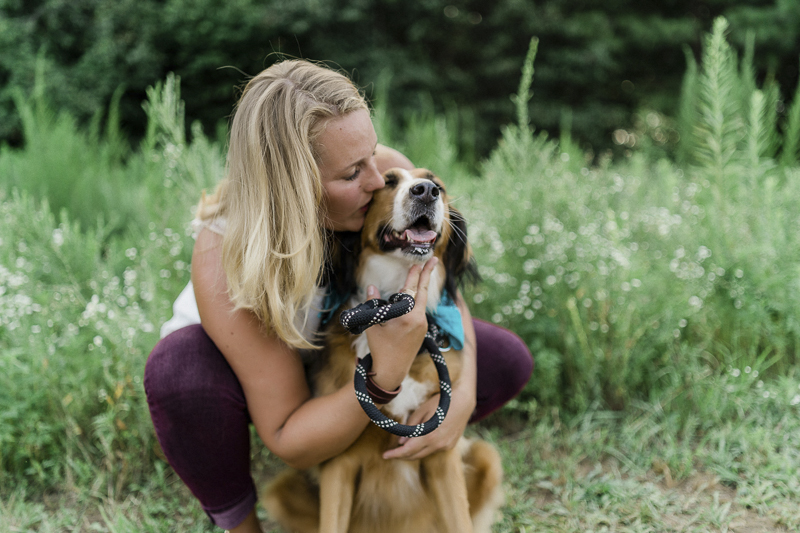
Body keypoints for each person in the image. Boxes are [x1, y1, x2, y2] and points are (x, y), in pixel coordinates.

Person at [144, 59, 533, 533]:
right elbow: (287, 433)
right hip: (250, 375)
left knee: (500, 358)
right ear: (297, 189)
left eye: (373, 153)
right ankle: (242, 521)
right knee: (179, 371)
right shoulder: (221, 250)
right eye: (353, 173)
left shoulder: (378, 171)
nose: (377, 179)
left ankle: (389, 465)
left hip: (343, 346)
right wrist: (385, 374)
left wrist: (462, 398)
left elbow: (442, 280)